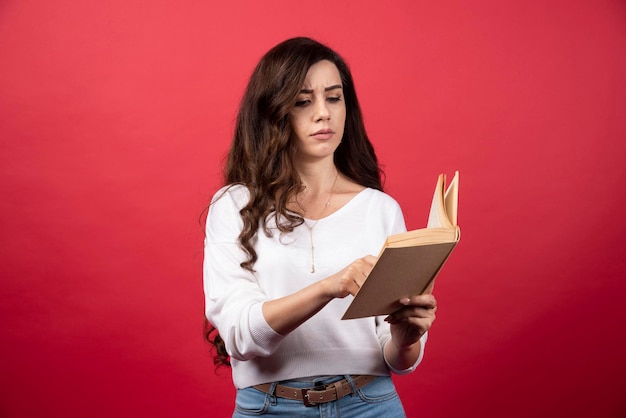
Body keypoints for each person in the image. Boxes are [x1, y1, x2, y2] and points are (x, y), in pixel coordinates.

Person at [203, 37, 437, 417]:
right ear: (273, 111)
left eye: (334, 97)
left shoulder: (380, 209)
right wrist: (330, 286)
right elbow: (240, 336)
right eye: (302, 101)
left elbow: (397, 359)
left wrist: (407, 338)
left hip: (370, 404)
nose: (324, 113)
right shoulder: (234, 205)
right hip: (269, 407)